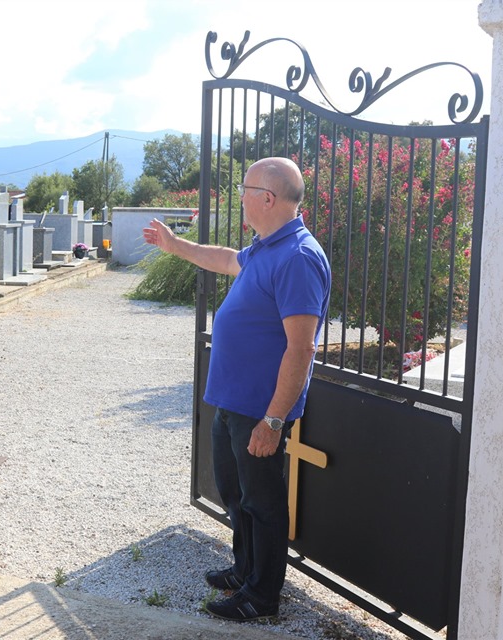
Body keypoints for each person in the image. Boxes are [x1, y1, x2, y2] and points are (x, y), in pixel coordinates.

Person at [142, 157, 330, 622]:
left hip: (259, 410)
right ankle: (245, 570)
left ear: (267, 198)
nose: (240, 196)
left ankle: (261, 596)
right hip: (233, 401)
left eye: (245, 188)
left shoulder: (299, 258)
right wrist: (173, 244)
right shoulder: (267, 246)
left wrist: (273, 419)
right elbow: (226, 259)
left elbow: (301, 349)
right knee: (235, 493)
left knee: (263, 503)